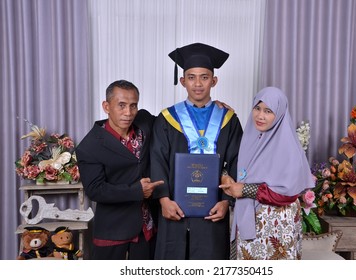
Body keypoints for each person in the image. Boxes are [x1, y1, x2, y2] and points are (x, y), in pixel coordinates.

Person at [150, 42, 243, 260]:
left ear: (214, 80)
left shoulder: (228, 119)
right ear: (183, 81)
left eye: (204, 77)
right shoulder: (166, 118)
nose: (198, 84)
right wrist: (163, 200)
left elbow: (237, 160)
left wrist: (225, 201)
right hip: (174, 207)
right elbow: (157, 160)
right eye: (191, 77)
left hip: (213, 211)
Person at [219, 87, 314, 260]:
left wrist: (245, 190)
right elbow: (239, 169)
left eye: (268, 111)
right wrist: (225, 174)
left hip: (276, 228)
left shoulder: (288, 147)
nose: (260, 116)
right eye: (257, 108)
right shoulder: (251, 138)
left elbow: (287, 194)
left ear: (279, 113)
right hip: (248, 219)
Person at [76, 80, 164, 260]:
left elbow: (171, 124)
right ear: (106, 106)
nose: (128, 113)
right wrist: (137, 191)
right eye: (121, 106)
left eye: (133, 106)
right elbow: (95, 190)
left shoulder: (145, 121)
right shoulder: (89, 145)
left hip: (147, 228)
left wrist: (210, 106)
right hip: (112, 229)